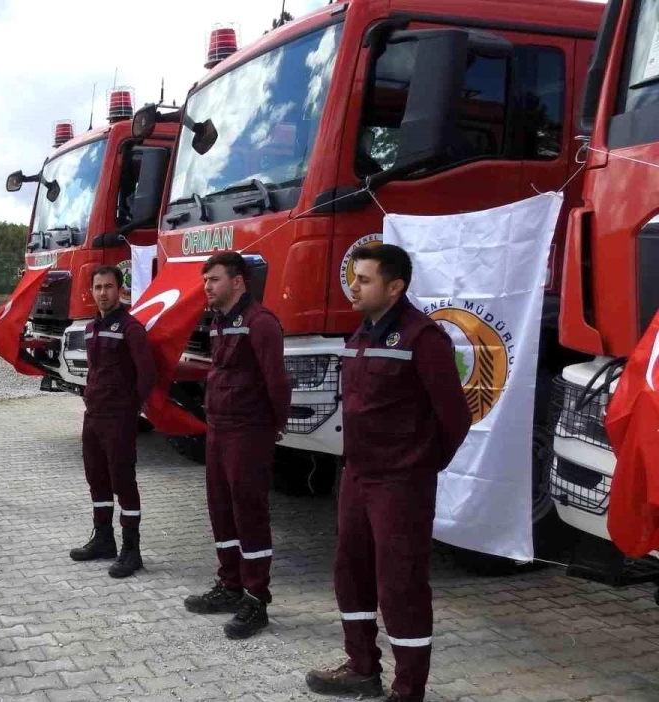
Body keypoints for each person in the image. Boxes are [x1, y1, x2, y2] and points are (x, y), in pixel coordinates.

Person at [305, 244, 470, 702]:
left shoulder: (423, 338)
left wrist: (418, 464)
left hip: (401, 483)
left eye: (364, 279)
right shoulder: (361, 334)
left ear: (395, 287)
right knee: (350, 571)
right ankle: (361, 668)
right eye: (353, 277)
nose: (353, 287)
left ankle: (408, 689)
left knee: (401, 584)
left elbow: (456, 416)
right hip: (357, 476)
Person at [184, 251, 291, 640]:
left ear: (238, 281)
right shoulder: (219, 322)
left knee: (250, 513)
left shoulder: (261, 323)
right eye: (206, 280)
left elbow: (277, 382)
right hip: (219, 429)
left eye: (213, 279)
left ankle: (256, 598)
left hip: (249, 432)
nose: (207, 287)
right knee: (221, 510)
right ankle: (229, 585)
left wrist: (272, 426)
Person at [68, 265, 156, 578]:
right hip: (94, 416)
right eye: (98, 287)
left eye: (108, 287)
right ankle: (104, 540)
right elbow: (94, 370)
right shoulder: (91, 328)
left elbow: (147, 374)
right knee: (97, 478)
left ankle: (131, 550)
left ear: (120, 290)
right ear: (91, 291)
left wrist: (129, 408)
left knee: (123, 481)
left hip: (119, 418)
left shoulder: (131, 328)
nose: (103, 293)